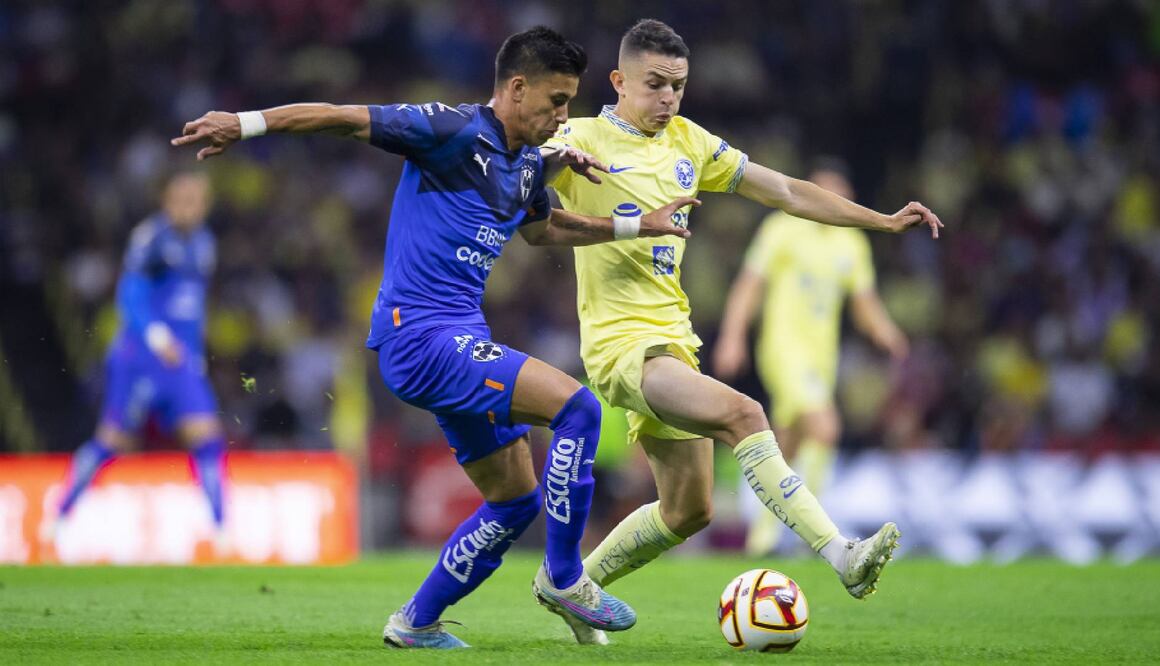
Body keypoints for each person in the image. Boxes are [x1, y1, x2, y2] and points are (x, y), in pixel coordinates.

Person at [171, 26, 696, 650]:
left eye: (568, 103)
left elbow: (547, 230)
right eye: (556, 101)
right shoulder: (449, 130)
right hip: (418, 337)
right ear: (516, 87)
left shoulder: (527, 165)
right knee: (577, 408)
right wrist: (247, 122)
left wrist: (637, 224)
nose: (563, 115)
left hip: (457, 339)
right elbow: (342, 118)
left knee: (515, 501)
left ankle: (414, 623)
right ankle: (564, 578)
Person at [542, 19, 941, 644]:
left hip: (675, 340)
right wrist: (548, 166)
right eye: (654, 85)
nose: (669, 97)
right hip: (622, 344)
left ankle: (568, 586)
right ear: (619, 81)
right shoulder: (579, 138)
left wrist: (882, 222)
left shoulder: (688, 142)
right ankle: (843, 556)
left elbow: (783, 189)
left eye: (678, 85)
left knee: (688, 510)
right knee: (746, 414)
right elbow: (529, 207)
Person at [713, 158, 910, 557]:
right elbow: (750, 285)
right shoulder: (783, 228)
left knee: (789, 443)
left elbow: (864, 300)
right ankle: (815, 535)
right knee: (825, 428)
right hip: (783, 348)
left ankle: (763, 536)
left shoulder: (851, 242)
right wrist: (732, 337)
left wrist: (885, 329)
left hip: (822, 357)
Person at [50, 171, 228, 540]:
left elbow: (193, 308)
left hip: (180, 361)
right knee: (114, 441)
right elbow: (129, 294)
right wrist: (155, 334)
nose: (188, 206)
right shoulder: (152, 239)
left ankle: (220, 529)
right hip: (141, 356)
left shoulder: (205, 243)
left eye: (195, 200)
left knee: (207, 435)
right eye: (181, 198)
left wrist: (194, 353)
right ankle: (61, 513)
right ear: (166, 200)